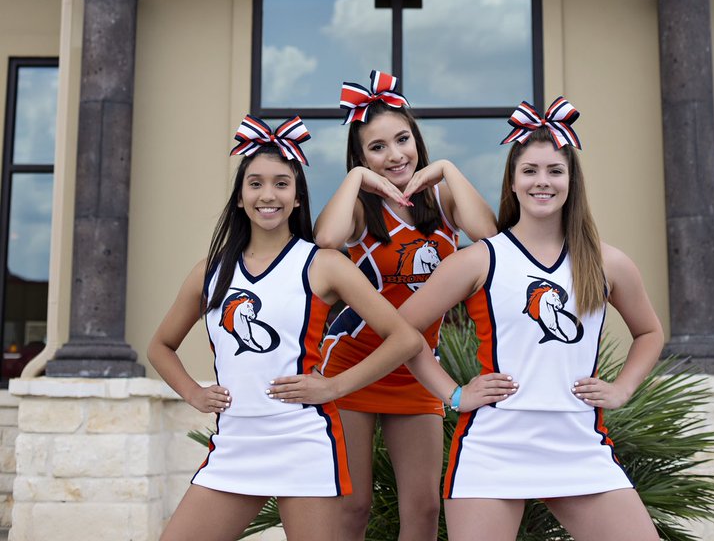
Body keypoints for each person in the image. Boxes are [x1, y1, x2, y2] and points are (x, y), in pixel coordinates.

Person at [399, 96, 664, 541]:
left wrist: (622, 390)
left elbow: (650, 332)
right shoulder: (481, 259)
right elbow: (401, 332)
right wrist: (453, 393)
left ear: (570, 181)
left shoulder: (607, 263)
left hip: (578, 444)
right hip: (494, 447)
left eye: (554, 171)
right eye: (530, 171)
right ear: (514, 182)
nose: (543, 182)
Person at [148, 112, 422, 541]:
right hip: (237, 446)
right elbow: (161, 346)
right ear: (239, 197)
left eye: (281, 183)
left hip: (305, 445)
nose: (267, 195)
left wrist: (335, 387)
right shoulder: (212, 272)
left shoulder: (322, 265)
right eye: (255, 183)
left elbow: (404, 337)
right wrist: (194, 393)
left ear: (297, 198)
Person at [311, 70, 499, 541]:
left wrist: (449, 170)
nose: (395, 155)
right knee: (351, 510)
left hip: (417, 372)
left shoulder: (440, 197)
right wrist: (357, 178)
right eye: (377, 147)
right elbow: (326, 240)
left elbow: (490, 237)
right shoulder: (360, 207)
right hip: (352, 368)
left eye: (403, 139)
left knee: (422, 511)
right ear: (361, 155)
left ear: (417, 139)